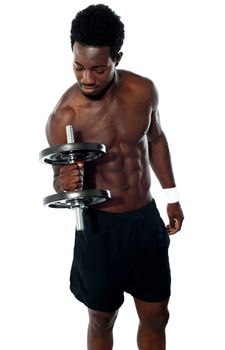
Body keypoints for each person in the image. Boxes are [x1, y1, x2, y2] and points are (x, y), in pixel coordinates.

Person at [45, 4, 184, 350]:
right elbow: (58, 180)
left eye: (97, 68)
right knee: (101, 318)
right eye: (78, 66)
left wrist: (173, 197)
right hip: (98, 230)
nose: (87, 78)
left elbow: (156, 140)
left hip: (144, 222)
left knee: (157, 315)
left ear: (117, 58)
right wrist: (64, 181)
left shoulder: (143, 92)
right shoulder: (64, 116)